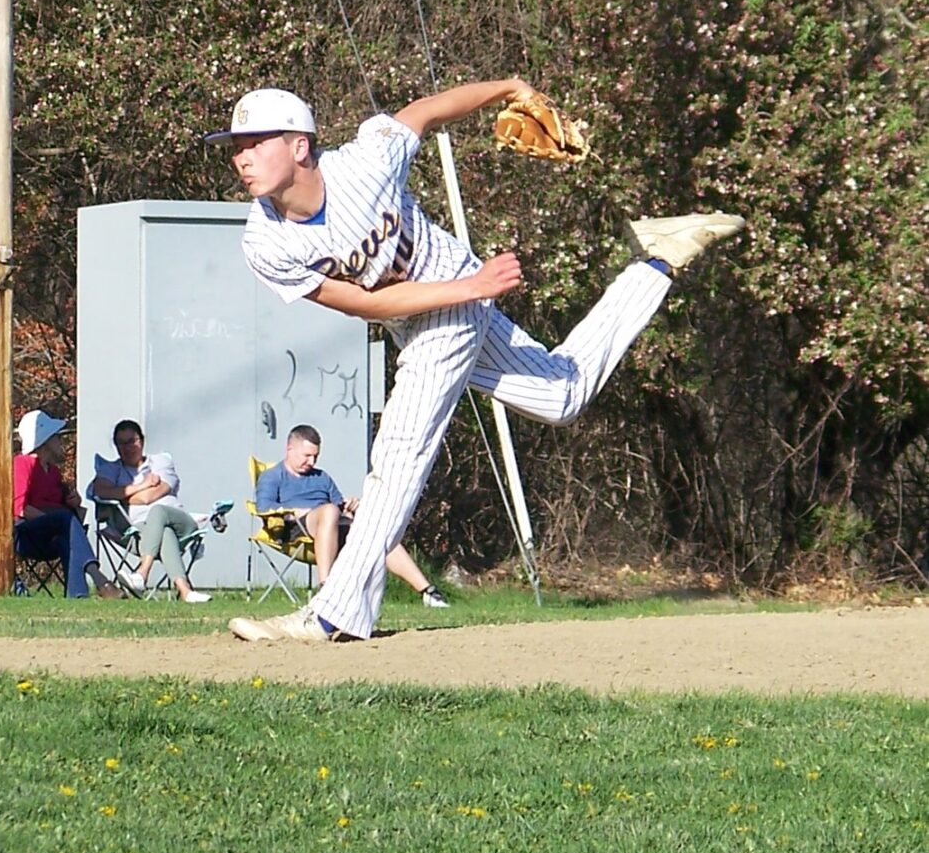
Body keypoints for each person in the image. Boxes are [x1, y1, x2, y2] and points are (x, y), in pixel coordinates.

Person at [207, 80, 744, 642]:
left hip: (453, 305)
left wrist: (510, 88)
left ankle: (335, 613)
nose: (241, 156)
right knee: (562, 395)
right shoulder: (264, 242)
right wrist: (472, 286)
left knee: (399, 453)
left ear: (299, 146)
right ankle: (656, 263)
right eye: (236, 146)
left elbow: (427, 111)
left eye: (255, 141)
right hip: (434, 306)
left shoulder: (365, 162)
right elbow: (367, 303)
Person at [257, 423, 449, 608]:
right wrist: (301, 511)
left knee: (379, 532)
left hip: (333, 524)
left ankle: (428, 592)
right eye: (306, 456)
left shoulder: (321, 477)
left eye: (316, 456)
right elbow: (264, 508)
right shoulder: (272, 476)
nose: (312, 462)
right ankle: (326, 587)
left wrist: (351, 507)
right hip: (297, 527)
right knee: (329, 511)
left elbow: (338, 504)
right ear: (289, 449)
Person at [88, 419, 211, 604]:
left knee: (158, 510)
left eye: (132, 441)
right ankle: (186, 592)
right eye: (121, 443)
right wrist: (144, 484)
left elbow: (152, 496)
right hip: (140, 534)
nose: (128, 447)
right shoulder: (110, 469)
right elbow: (100, 492)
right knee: (164, 533)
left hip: (181, 526)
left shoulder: (161, 461)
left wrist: (123, 493)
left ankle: (142, 574)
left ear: (142, 441)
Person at [13, 409, 122, 599]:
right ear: (45, 441)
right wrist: (57, 519)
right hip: (27, 534)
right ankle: (100, 580)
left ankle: (78, 597)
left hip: (52, 535)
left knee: (67, 536)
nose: (60, 442)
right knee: (65, 520)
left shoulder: (54, 472)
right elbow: (21, 508)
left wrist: (74, 502)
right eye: (56, 437)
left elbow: (64, 509)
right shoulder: (23, 464)